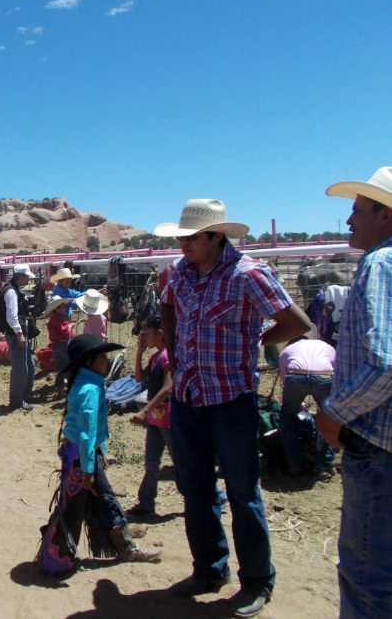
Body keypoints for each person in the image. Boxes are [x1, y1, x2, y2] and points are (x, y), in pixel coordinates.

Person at [157, 198, 310, 618]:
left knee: (243, 494)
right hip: (189, 398)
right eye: (182, 236)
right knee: (196, 490)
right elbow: (165, 303)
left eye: (191, 236)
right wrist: (173, 349)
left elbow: (297, 323)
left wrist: (253, 341)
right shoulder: (181, 273)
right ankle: (209, 569)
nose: (184, 243)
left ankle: (257, 581)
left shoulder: (249, 274)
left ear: (215, 237)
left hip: (231, 401)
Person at [316, 167, 392, 619]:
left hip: (378, 446)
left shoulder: (381, 264)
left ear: (385, 216)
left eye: (358, 211)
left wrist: (334, 413)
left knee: (367, 577)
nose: (349, 221)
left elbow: (385, 363)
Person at [36, 334, 161, 575]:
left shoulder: (86, 383)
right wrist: (88, 470)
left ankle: (124, 546)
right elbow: (86, 433)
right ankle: (56, 560)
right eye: (102, 356)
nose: (107, 360)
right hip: (82, 459)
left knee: (98, 501)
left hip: (81, 456)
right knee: (77, 507)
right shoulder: (89, 390)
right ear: (89, 362)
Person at [126, 314, 173, 516]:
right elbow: (139, 377)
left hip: (169, 418)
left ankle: (214, 496)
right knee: (152, 461)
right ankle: (146, 503)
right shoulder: (155, 357)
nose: (143, 337)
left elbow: (168, 387)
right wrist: (138, 353)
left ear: (160, 334)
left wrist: (146, 410)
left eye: (147, 334)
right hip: (157, 418)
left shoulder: (167, 356)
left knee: (181, 460)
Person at [277, 325, 336, 479]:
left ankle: (295, 464)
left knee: (287, 416)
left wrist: (299, 403)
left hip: (296, 377)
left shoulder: (286, 351)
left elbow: (285, 381)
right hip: (324, 375)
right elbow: (335, 373)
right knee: (328, 417)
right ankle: (323, 466)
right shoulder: (326, 347)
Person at [0, 264, 37, 411]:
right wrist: (19, 334)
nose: (27, 280)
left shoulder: (12, 290)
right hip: (16, 335)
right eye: (26, 277)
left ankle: (24, 396)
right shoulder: (11, 292)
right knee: (21, 369)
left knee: (28, 366)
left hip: (17, 334)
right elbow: (12, 317)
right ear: (20, 276)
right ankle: (16, 400)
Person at [43, 297, 74, 395]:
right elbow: (64, 332)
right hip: (64, 345)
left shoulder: (52, 319)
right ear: (56, 309)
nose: (64, 309)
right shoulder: (61, 319)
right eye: (62, 307)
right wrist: (69, 328)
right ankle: (72, 387)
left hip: (55, 346)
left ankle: (59, 388)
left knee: (59, 368)